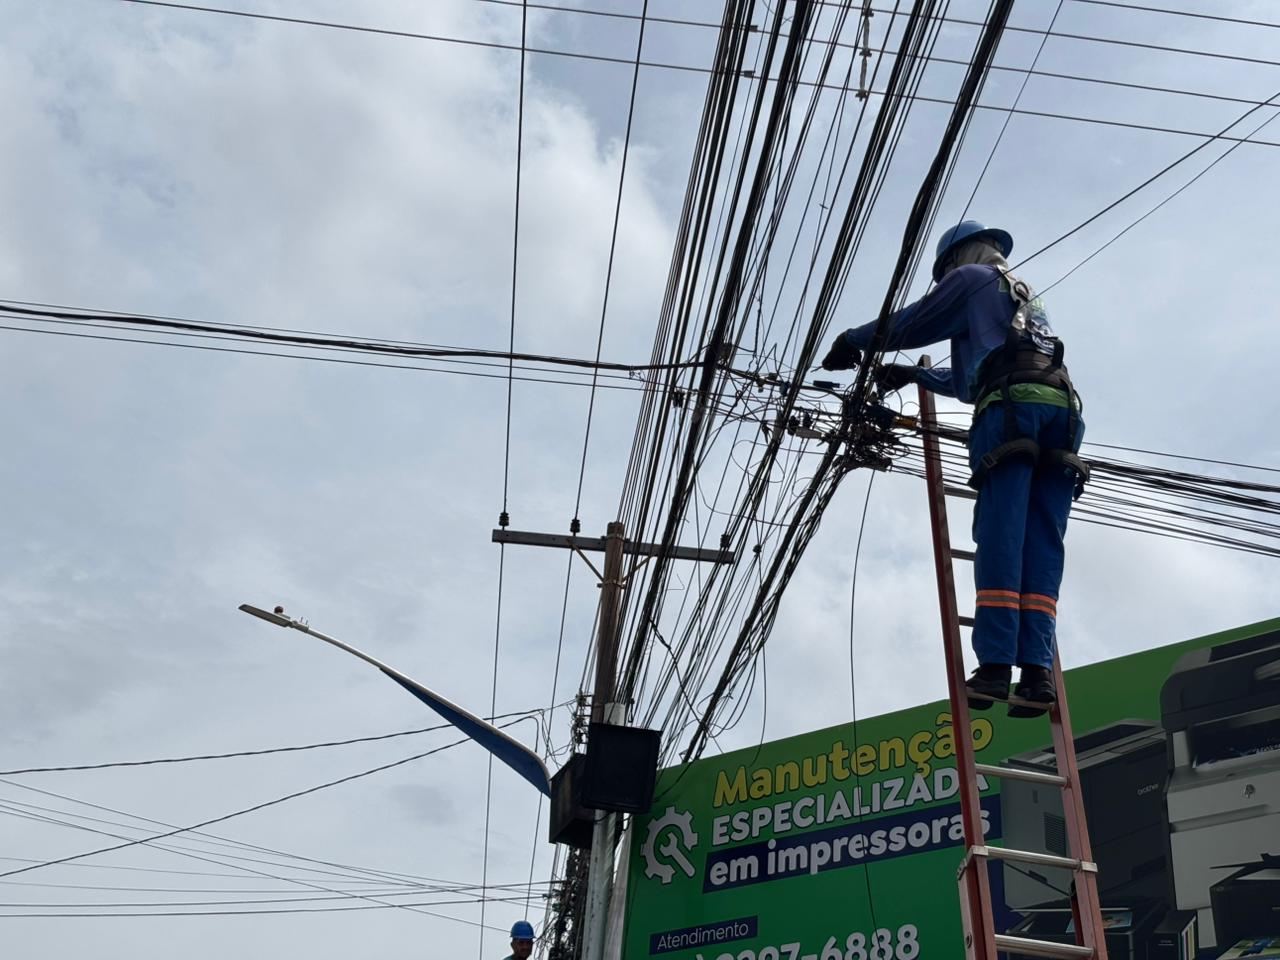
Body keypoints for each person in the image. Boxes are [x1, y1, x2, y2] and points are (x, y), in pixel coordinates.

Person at [820, 220, 1086, 717]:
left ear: (952, 263)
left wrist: (852, 340)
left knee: (1002, 535)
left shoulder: (970, 281)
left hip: (1010, 412)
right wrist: (914, 374)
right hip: (1064, 413)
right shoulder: (1026, 299)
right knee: (1042, 544)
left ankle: (994, 669)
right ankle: (1037, 675)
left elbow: (912, 323)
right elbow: (969, 381)